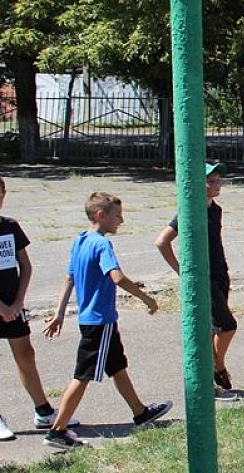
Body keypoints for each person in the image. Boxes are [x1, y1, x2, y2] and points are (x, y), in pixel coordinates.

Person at [43, 192, 173, 450]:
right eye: (117, 216)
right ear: (101, 215)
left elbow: (69, 278)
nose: (121, 220)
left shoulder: (80, 241)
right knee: (83, 375)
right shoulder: (102, 244)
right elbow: (117, 277)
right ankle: (57, 431)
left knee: (117, 366)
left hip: (96, 321)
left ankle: (140, 412)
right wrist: (146, 298)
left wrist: (59, 313)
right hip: (99, 322)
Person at [0, 176, 78, 441]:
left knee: (26, 354)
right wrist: (2, 307)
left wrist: (17, 302)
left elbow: (26, 266)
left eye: (0, 194)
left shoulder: (10, 226)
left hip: (13, 306)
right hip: (3, 307)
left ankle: (43, 411)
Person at [154, 162, 239, 397]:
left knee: (214, 327)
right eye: (211, 181)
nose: (216, 184)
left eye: (218, 180)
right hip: (203, 278)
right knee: (228, 325)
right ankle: (217, 368)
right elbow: (161, 242)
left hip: (220, 273)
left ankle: (212, 377)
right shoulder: (190, 211)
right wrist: (182, 272)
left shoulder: (216, 209)